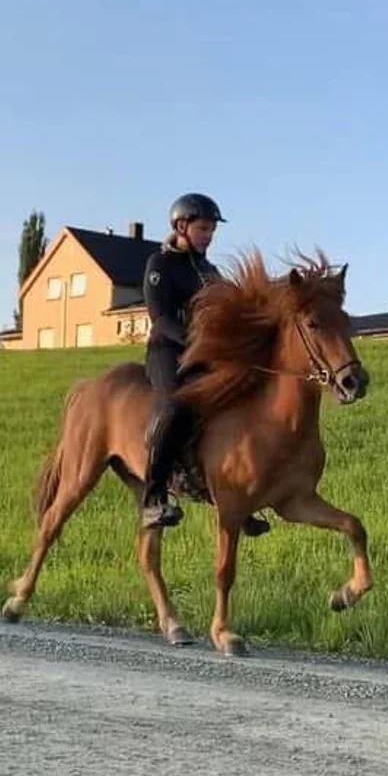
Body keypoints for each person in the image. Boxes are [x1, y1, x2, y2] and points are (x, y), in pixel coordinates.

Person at [139, 192, 271, 537]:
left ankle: (238, 498)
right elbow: (160, 317)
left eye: (212, 230)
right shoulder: (160, 264)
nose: (208, 236)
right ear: (181, 226)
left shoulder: (210, 271)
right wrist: (196, 344)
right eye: (203, 229)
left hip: (204, 354)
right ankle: (153, 499)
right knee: (175, 407)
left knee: (241, 401)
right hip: (167, 351)